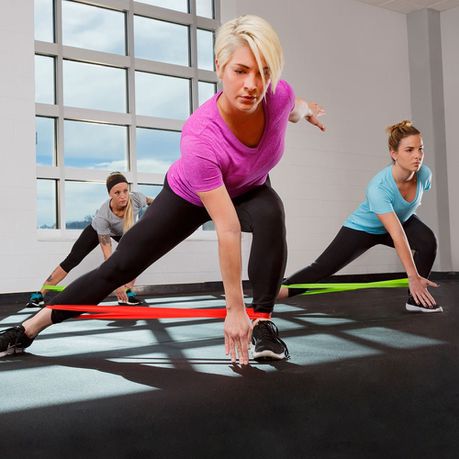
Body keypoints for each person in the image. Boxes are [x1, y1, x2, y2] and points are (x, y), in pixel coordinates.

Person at [0, 15, 325, 363]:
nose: (252, 85)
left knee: (270, 211)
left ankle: (263, 324)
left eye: (263, 72)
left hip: (249, 189)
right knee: (119, 268)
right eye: (241, 71)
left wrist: (308, 111)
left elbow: (294, 107)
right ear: (220, 66)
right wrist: (233, 309)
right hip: (188, 196)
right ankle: (28, 328)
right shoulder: (201, 135)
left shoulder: (278, 96)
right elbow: (227, 227)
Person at [279, 120, 442, 313]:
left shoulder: (424, 175)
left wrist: (415, 276)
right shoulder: (378, 187)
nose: (417, 155)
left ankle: (416, 299)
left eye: (420, 149)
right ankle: (272, 295)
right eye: (409, 150)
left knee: (427, 241)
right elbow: (397, 234)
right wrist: (412, 276)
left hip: (400, 221)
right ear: (394, 153)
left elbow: (401, 217)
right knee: (321, 268)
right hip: (364, 228)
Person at [26, 172, 154, 308]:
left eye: (125, 191)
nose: (123, 196)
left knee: (136, 256)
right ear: (110, 194)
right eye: (117, 193)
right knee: (73, 258)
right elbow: (108, 258)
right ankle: (40, 294)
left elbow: (157, 203)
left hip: (121, 231)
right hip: (96, 230)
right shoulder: (103, 216)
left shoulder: (136, 199)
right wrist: (116, 284)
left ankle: (127, 293)